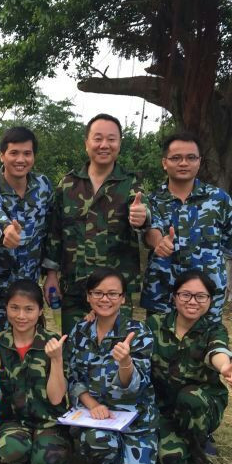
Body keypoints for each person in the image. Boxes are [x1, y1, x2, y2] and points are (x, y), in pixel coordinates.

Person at [44, 114, 149, 334]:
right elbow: (55, 233)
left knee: (114, 349)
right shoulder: (68, 184)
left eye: (111, 139)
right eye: (98, 138)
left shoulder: (131, 183)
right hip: (74, 289)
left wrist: (142, 217)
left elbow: (144, 215)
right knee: (73, 347)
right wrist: (51, 275)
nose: (104, 145)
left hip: (114, 293)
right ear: (86, 143)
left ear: (119, 144)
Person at [66, 267, 157, 464]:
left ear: (123, 298)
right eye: (98, 293)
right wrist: (93, 405)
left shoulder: (138, 333)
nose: (105, 299)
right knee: (95, 440)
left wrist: (125, 362)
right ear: (88, 297)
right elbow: (73, 378)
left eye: (113, 294)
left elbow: (137, 386)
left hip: (134, 420)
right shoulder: (79, 331)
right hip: (97, 418)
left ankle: (125, 460)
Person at [146, 270, 232, 464]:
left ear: (210, 300)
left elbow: (217, 350)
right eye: (186, 295)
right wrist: (94, 316)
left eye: (201, 296)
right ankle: (185, 440)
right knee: (169, 462)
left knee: (191, 397)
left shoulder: (213, 329)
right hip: (164, 406)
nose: (192, 301)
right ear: (175, 297)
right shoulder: (155, 324)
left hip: (201, 405)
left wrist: (224, 367)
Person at [140, 131, 232, 322]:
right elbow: (148, 233)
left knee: (205, 340)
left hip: (206, 295)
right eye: (176, 158)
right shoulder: (152, 201)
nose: (184, 163)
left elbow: (231, 242)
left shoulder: (219, 199)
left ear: (199, 161)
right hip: (163, 294)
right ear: (164, 162)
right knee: (158, 340)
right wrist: (159, 242)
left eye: (191, 157)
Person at [0, 127, 54, 328]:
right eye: (14, 153)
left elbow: (52, 229)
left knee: (33, 345)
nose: (21, 159)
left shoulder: (43, 186)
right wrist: (6, 229)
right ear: (2, 155)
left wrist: (51, 273)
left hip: (30, 293)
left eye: (27, 153)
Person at [0, 280, 70, 464]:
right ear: (6, 308)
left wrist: (56, 359)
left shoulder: (54, 343)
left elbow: (56, 398)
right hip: (13, 421)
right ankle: (21, 451)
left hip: (49, 422)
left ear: (40, 311)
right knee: (11, 450)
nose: (21, 316)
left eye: (29, 309)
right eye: (14, 308)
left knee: (48, 461)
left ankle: (37, 449)